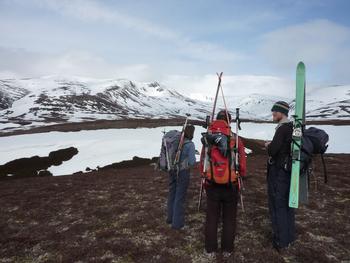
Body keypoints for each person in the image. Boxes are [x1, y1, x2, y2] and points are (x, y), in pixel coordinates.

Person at [204, 110, 246, 258]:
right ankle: (227, 249)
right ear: (229, 121)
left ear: (216, 120)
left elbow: (203, 162)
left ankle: (210, 250)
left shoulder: (208, 138)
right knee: (229, 218)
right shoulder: (235, 138)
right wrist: (240, 174)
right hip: (231, 184)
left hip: (211, 184)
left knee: (211, 218)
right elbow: (242, 163)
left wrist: (205, 176)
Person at [265, 101, 295, 251]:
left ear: (282, 113)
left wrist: (268, 146)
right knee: (287, 205)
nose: (273, 114)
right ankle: (289, 238)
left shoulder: (282, 128)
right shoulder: (292, 127)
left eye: (275, 112)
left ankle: (280, 241)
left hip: (279, 173)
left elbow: (273, 151)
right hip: (288, 172)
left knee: (278, 205)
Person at [166, 124, 196, 230]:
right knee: (180, 197)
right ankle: (177, 224)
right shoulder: (190, 144)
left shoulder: (176, 141)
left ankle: (170, 218)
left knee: (172, 194)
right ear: (191, 133)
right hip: (183, 172)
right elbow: (192, 162)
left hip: (172, 170)